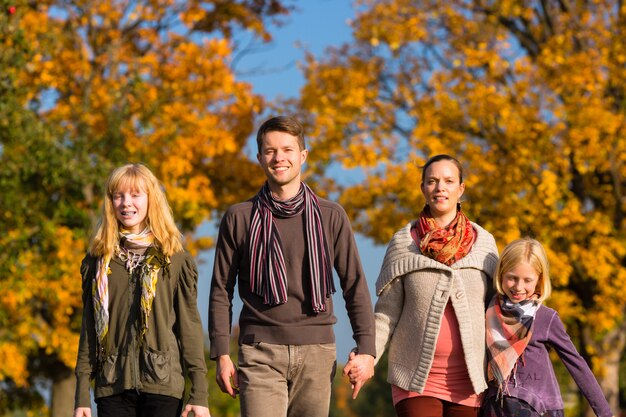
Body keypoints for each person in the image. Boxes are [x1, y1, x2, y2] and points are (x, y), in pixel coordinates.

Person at [208, 115, 376, 417]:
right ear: (260, 158)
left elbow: (355, 285)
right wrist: (221, 353)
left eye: (287, 149)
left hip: (317, 350)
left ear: (303, 156)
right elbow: (221, 289)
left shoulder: (331, 216)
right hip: (259, 350)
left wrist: (366, 350)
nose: (279, 157)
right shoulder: (239, 217)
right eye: (270, 151)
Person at [346, 154, 499, 417]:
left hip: (470, 383)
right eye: (432, 181)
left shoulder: (484, 244)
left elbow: (498, 310)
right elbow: (386, 314)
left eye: (449, 181)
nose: (441, 187)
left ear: (461, 189)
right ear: (423, 188)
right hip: (415, 380)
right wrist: (367, 354)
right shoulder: (403, 243)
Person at [73, 164, 210, 417]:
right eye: (118, 195)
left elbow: (189, 327)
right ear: (110, 202)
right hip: (111, 386)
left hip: (163, 386)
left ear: (151, 199)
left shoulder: (174, 258)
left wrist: (199, 393)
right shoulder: (97, 261)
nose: (126, 203)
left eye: (135, 194)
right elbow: (89, 330)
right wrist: (82, 393)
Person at [482, 238, 614, 417]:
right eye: (512, 278)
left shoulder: (545, 317)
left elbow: (576, 364)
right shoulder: (489, 310)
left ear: (539, 280)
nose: (519, 287)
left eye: (527, 280)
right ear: (501, 274)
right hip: (496, 407)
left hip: (538, 409)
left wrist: (605, 413)